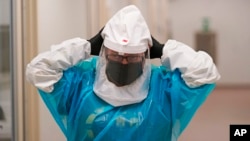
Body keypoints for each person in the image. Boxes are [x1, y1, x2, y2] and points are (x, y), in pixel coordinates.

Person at [26, 5, 220, 141]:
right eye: (116, 55)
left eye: (132, 56)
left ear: (145, 54)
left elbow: (205, 73)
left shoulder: (163, 88)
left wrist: (163, 50)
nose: (124, 61)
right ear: (103, 52)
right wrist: (84, 47)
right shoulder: (80, 84)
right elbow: (38, 70)